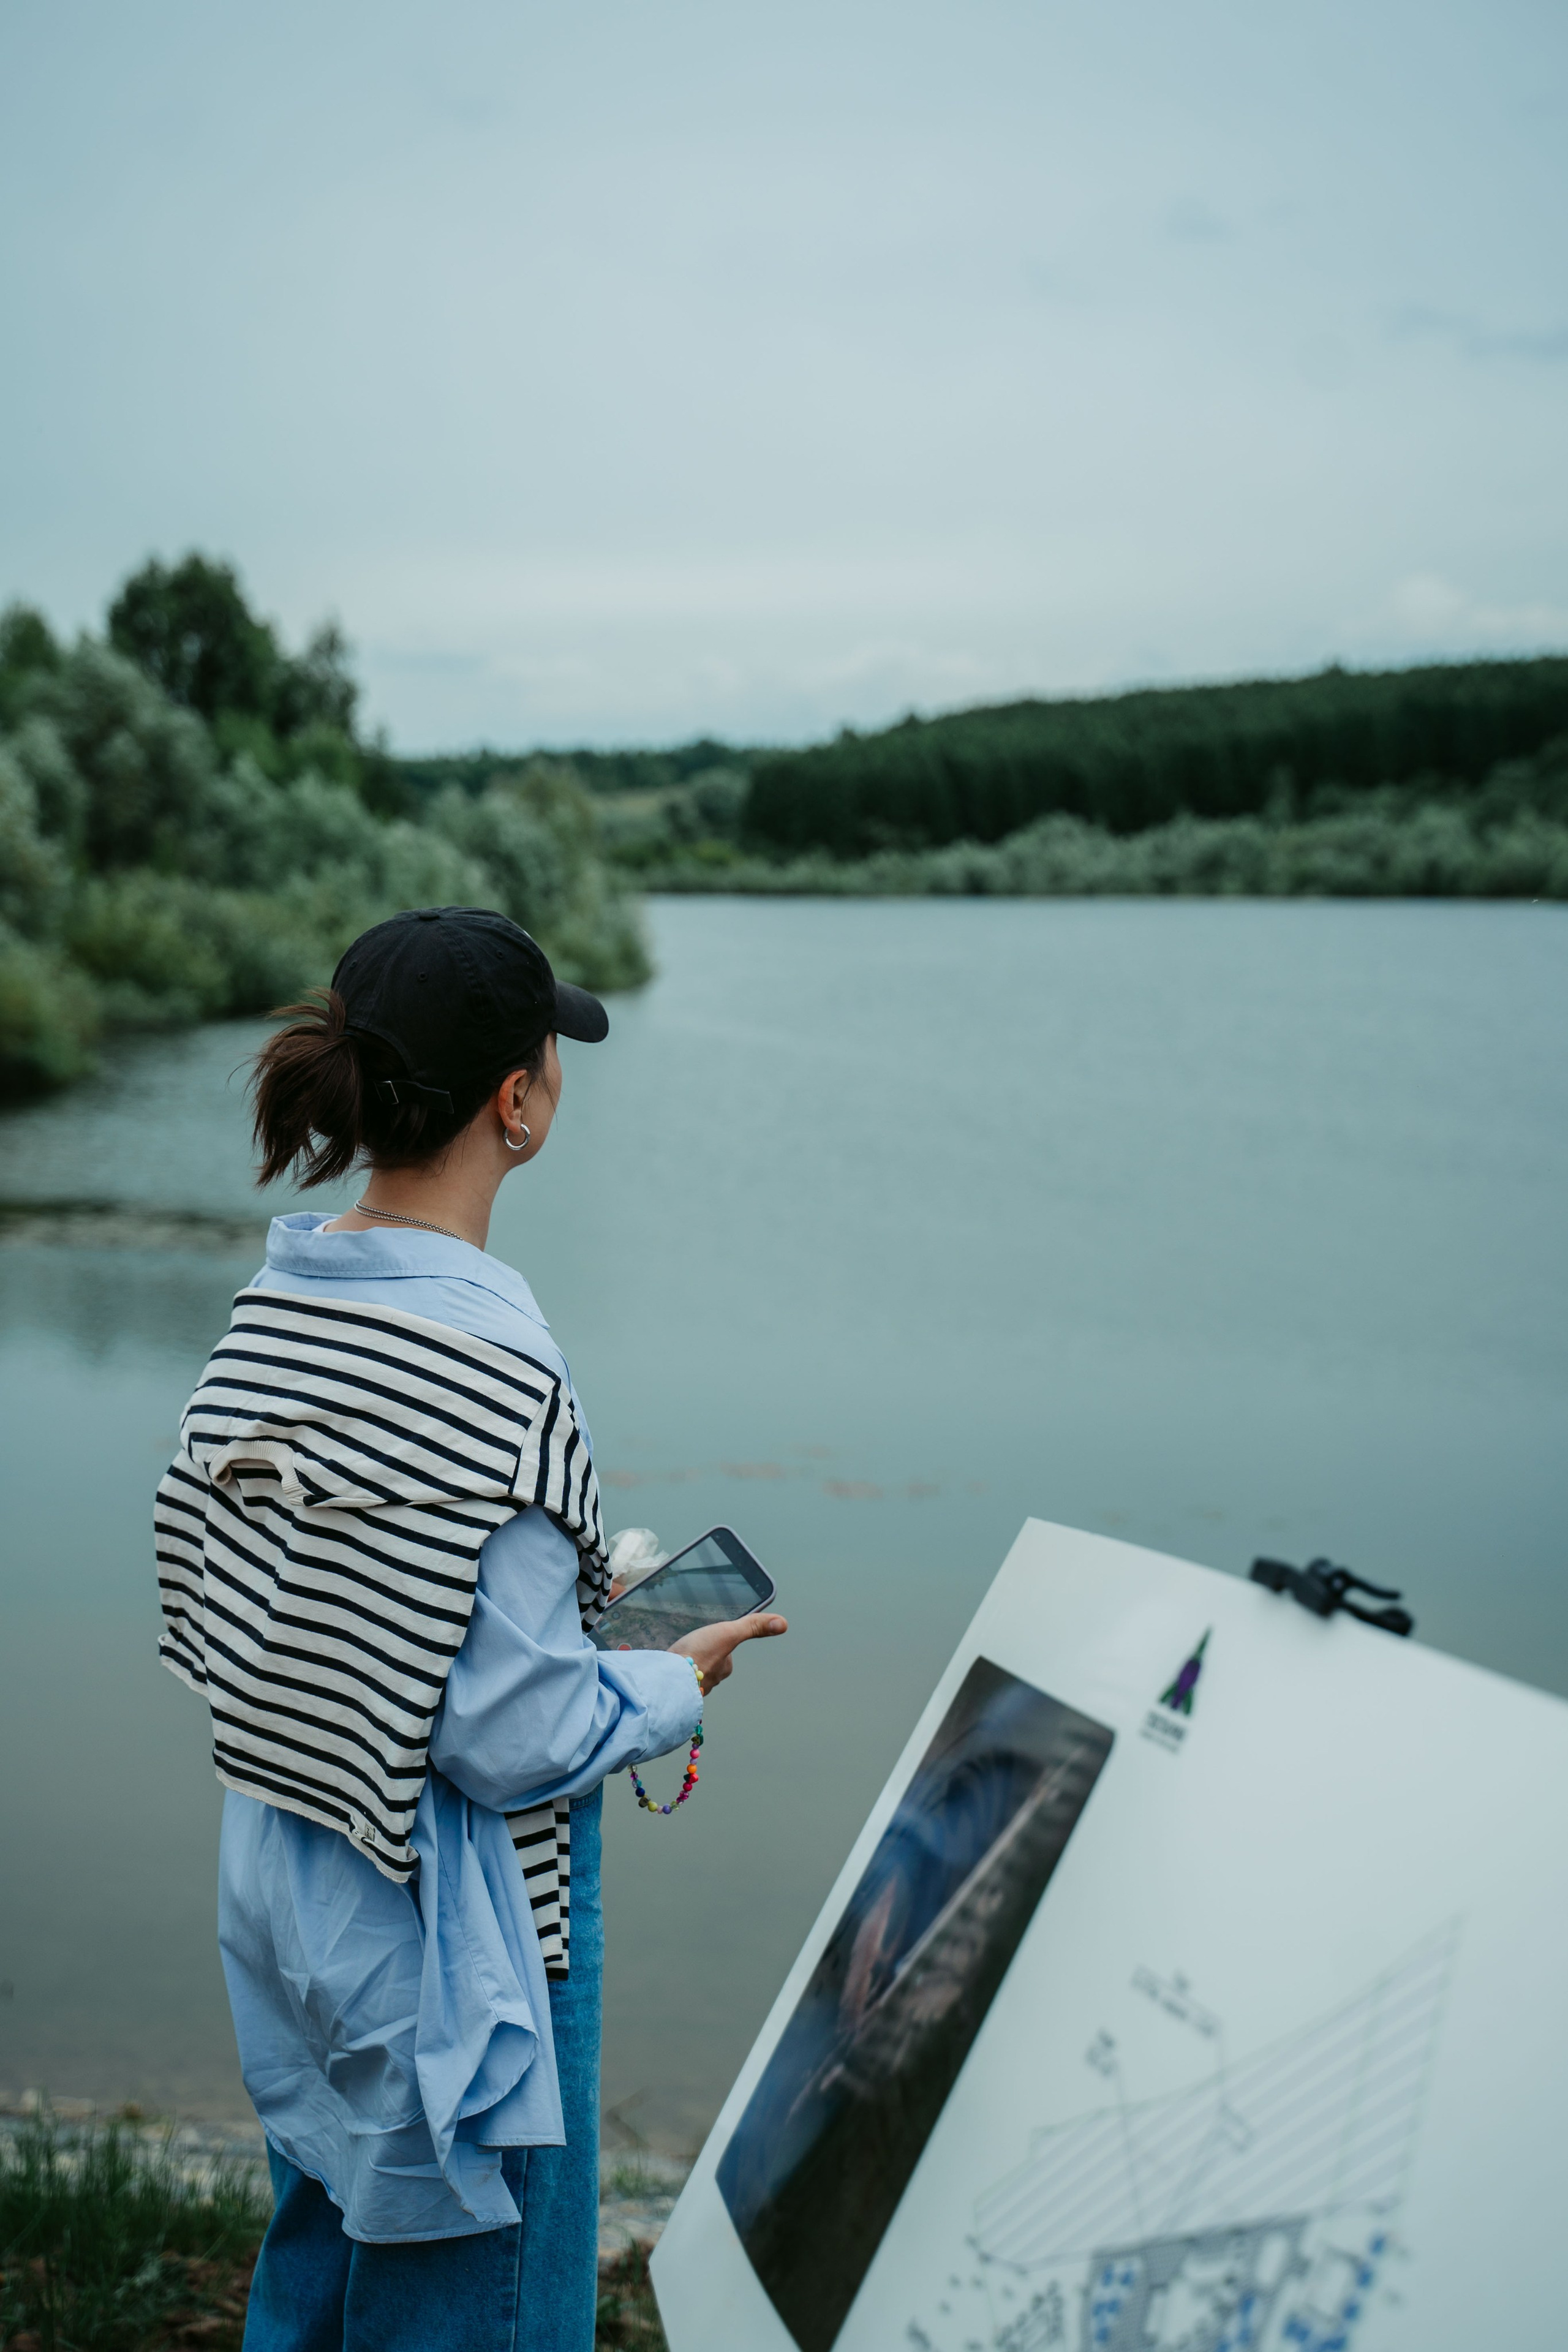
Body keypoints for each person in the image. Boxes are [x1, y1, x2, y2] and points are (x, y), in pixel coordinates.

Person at [153, 905, 786, 2352]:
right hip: (452, 1950)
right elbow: (508, 1741)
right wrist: (666, 1681)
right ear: (516, 1101)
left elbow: (253, 1607)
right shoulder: (499, 1368)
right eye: (547, 1054)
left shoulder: (272, 1305)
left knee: (316, 2264)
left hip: (290, 1897)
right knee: (467, 2310)